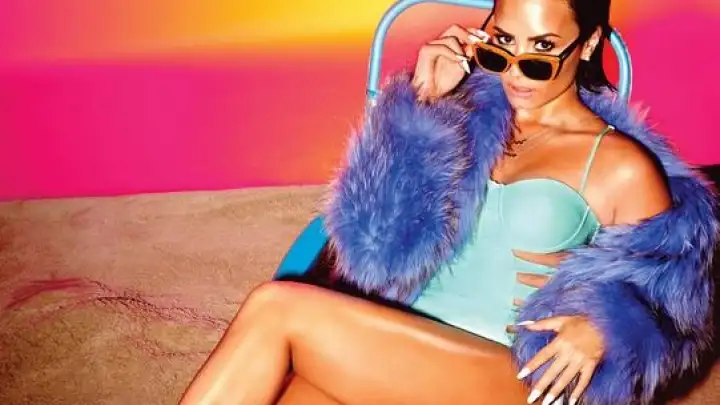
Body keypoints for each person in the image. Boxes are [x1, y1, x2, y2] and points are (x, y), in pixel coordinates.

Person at [179, 0, 718, 404]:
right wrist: (424, 106)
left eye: (542, 51)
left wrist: (608, 329)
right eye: (501, 43)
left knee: (277, 310)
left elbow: (678, 312)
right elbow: (372, 252)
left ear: (590, 43)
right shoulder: (460, 114)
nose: (514, 70)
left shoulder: (621, 164)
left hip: (508, 373)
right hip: (403, 338)